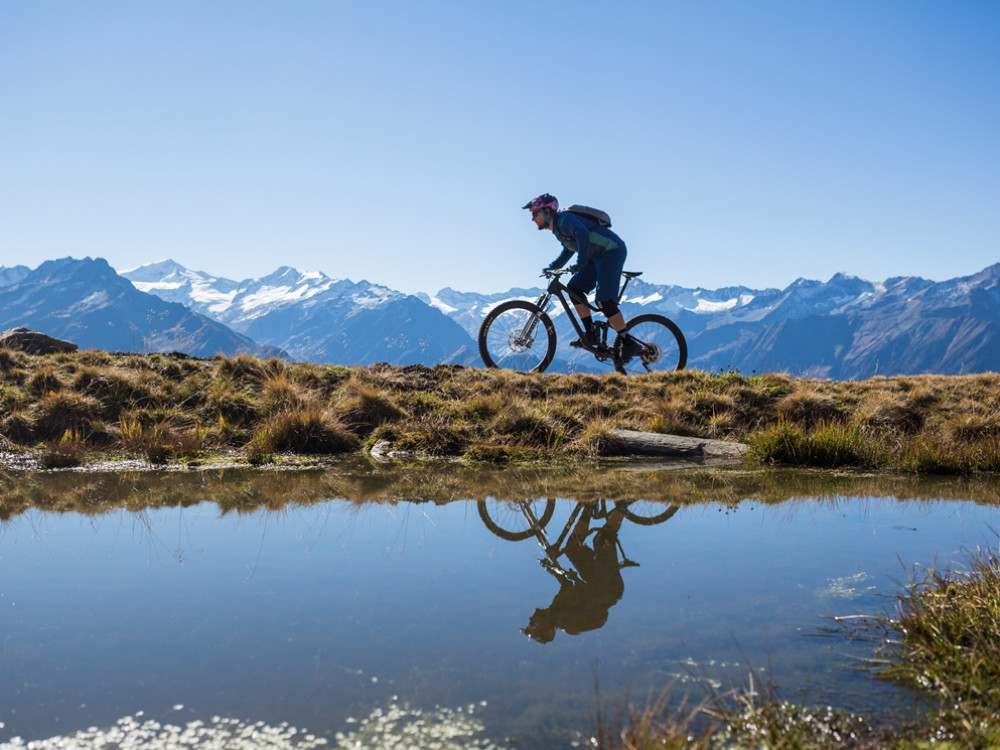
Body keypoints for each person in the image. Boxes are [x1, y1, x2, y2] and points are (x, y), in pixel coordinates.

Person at [522, 193, 639, 353]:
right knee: (574, 289)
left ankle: (628, 343)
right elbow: (569, 249)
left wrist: (580, 263)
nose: (533, 219)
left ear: (547, 212)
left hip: (611, 251)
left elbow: (582, 234)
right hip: (595, 256)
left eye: (535, 214)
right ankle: (591, 334)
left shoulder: (564, 220)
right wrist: (553, 266)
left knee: (604, 302)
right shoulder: (558, 229)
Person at [521, 502, 628, 643]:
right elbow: (584, 595)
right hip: (608, 588)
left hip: (596, 584)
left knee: (572, 548)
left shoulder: (556, 609)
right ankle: (624, 503)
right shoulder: (566, 620)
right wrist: (575, 579)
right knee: (602, 540)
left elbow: (565, 584)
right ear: (545, 626)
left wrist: (551, 568)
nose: (530, 619)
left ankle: (589, 506)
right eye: (532, 623)